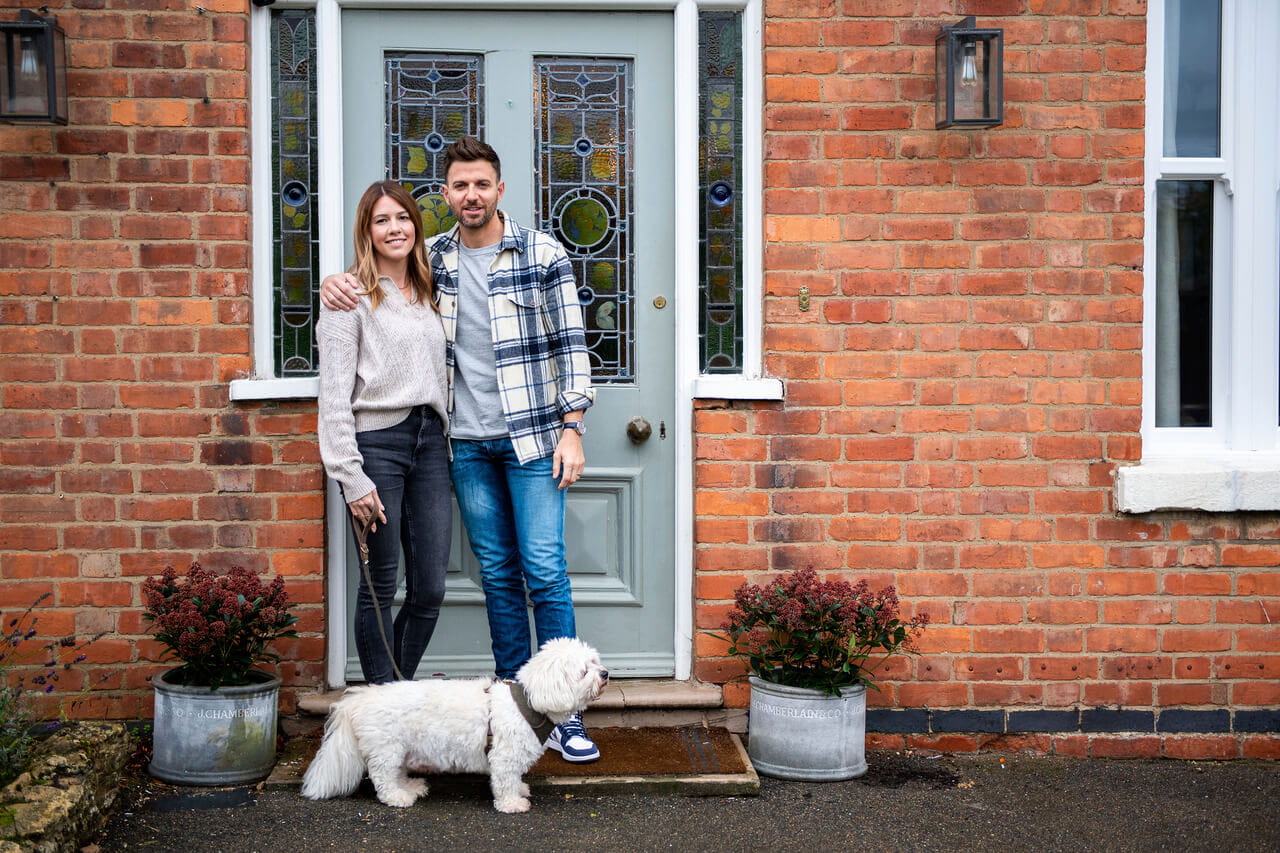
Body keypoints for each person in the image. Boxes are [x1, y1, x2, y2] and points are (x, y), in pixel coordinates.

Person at [321, 137, 600, 763]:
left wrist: (573, 425)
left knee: (545, 569)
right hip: (464, 445)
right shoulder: (435, 261)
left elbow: (572, 347)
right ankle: (515, 708)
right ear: (445, 197)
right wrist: (333, 279)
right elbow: (371, 286)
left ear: (499, 189)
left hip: (532, 440)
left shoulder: (541, 253)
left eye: (481, 184)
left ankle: (569, 716)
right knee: (498, 575)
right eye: (458, 186)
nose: (470, 196)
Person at [317, 180, 451, 686]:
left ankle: (395, 701)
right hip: (377, 445)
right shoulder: (348, 298)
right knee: (379, 584)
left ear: (416, 225)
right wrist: (351, 478)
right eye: (381, 220)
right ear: (366, 232)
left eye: (402, 217)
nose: (394, 228)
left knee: (430, 590)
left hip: (431, 443)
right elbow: (332, 397)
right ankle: (384, 711)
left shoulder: (433, 289)